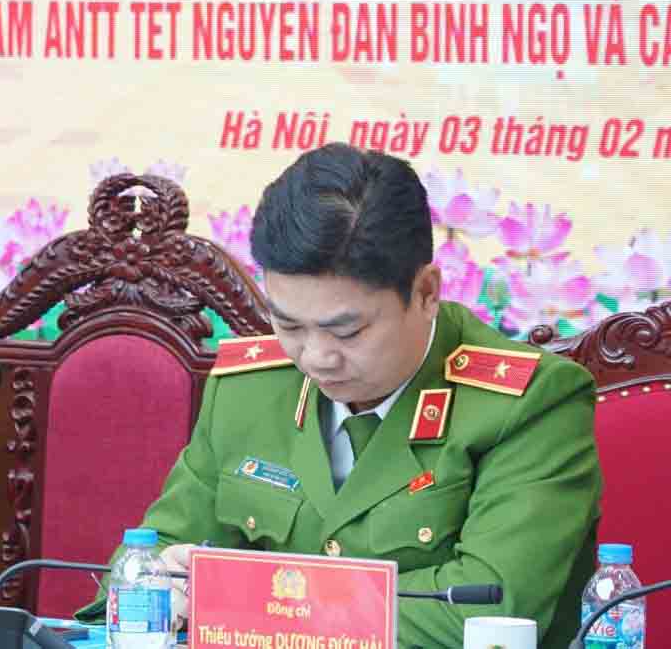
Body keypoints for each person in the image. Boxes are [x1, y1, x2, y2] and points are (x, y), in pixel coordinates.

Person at [102, 143, 600, 649]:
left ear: (427, 292)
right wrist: (156, 581)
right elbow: (138, 570)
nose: (316, 358)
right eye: (289, 324)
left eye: (347, 331)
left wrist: (250, 605)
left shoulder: (529, 403)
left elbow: (491, 612)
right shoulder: (246, 390)